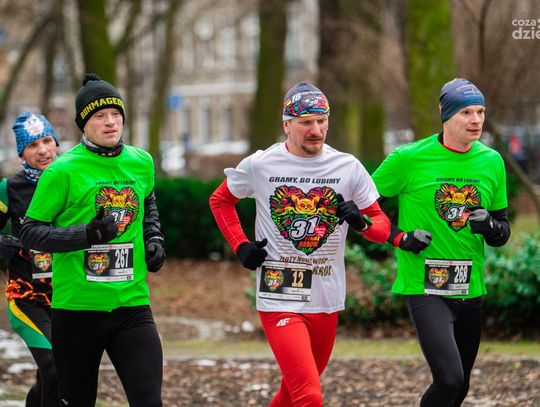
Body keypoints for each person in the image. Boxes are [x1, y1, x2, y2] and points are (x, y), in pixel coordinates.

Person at [209, 82, 394, 406]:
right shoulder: (261, 164)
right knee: (309, 396)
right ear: (287, 125)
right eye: (306, 122)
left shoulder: (348, 167)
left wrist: (361, 222)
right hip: (279, 294)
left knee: (291, 394)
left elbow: (382, 228)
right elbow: (220, 200)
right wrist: (240, 245)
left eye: (322, 121)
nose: (316, 130)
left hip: (326, 296)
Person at [20, 73, 166, 407]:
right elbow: (29, 231)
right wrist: (84, 235)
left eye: (116, 113)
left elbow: (149, 206)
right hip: (77, 310)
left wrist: (154, 238)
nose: (111, 122)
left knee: (149, 401)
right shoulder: (62, 171)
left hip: (131, 305)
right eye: (100, 115)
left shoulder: (141, 162)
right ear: (83, 124)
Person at [372, 78, 511, 407]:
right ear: (445, 115)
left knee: (459, 388)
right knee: (449, 379)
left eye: (480, 112)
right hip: (425, 286)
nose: (476, 120)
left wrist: (490, 226)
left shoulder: (492, 161)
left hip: (469, 287)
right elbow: (364, 206)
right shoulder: (408, 158)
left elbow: (503, 231)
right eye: (466, 112)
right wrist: (400, 238)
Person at [0, 112, 60, 406]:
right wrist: (4, 246)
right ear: (21, 154)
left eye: (47, 141)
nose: (43, 150)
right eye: (33, 145)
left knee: (52, 375)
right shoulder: (9, 189)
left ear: (57, 144)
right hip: (27, 298)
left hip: (69, 296)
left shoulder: (72, 180)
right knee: (54, 366)